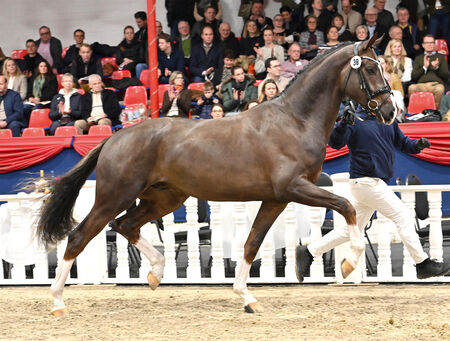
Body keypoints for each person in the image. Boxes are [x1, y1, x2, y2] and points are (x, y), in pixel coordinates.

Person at [295, 108, 450, 282]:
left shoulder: (389, 121)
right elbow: (336, 142)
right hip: (366, 182)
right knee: (404, 216)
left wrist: (417, 146)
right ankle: (422, 264)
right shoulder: (355, 120)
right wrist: (343, 124)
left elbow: (403, 143)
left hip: (370, 183)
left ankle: (309, 251)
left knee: (351, 230)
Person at [408, 34, 448, 110]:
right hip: (421, 85)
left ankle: (436, 112)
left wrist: (436, 68)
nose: (429, 44)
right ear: (423, 45)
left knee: (440, 89)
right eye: (427, 43)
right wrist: (424, 68)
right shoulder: (418, 58)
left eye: (431, 42)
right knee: (411, 88)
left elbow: (446, 76)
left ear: (434, 44)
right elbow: (414, 76)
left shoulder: (441, 57)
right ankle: (415, 112)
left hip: (435, 85)